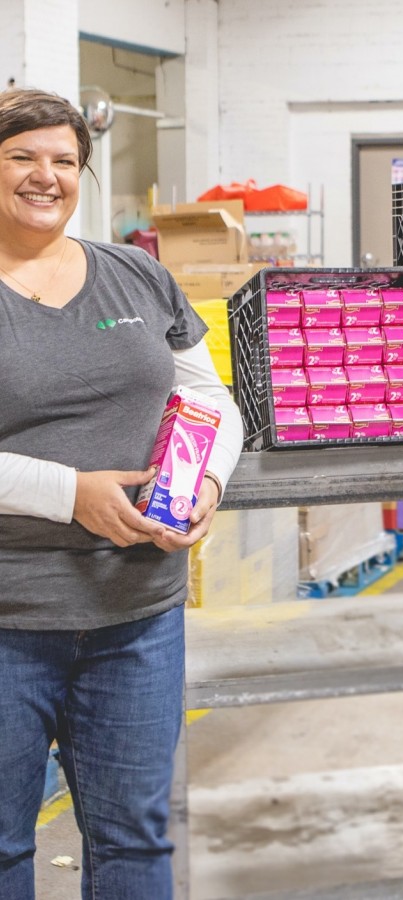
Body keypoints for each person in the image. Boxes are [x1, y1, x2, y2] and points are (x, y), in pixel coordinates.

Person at [0, 87, 244, 898]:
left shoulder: (135, 274)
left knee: (135, 840)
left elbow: (209, 399)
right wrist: (67, 492)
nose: (47, 176)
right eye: (22, 156)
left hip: (136, 613)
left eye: (65, 161)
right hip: (9, 618)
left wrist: (206, 478)